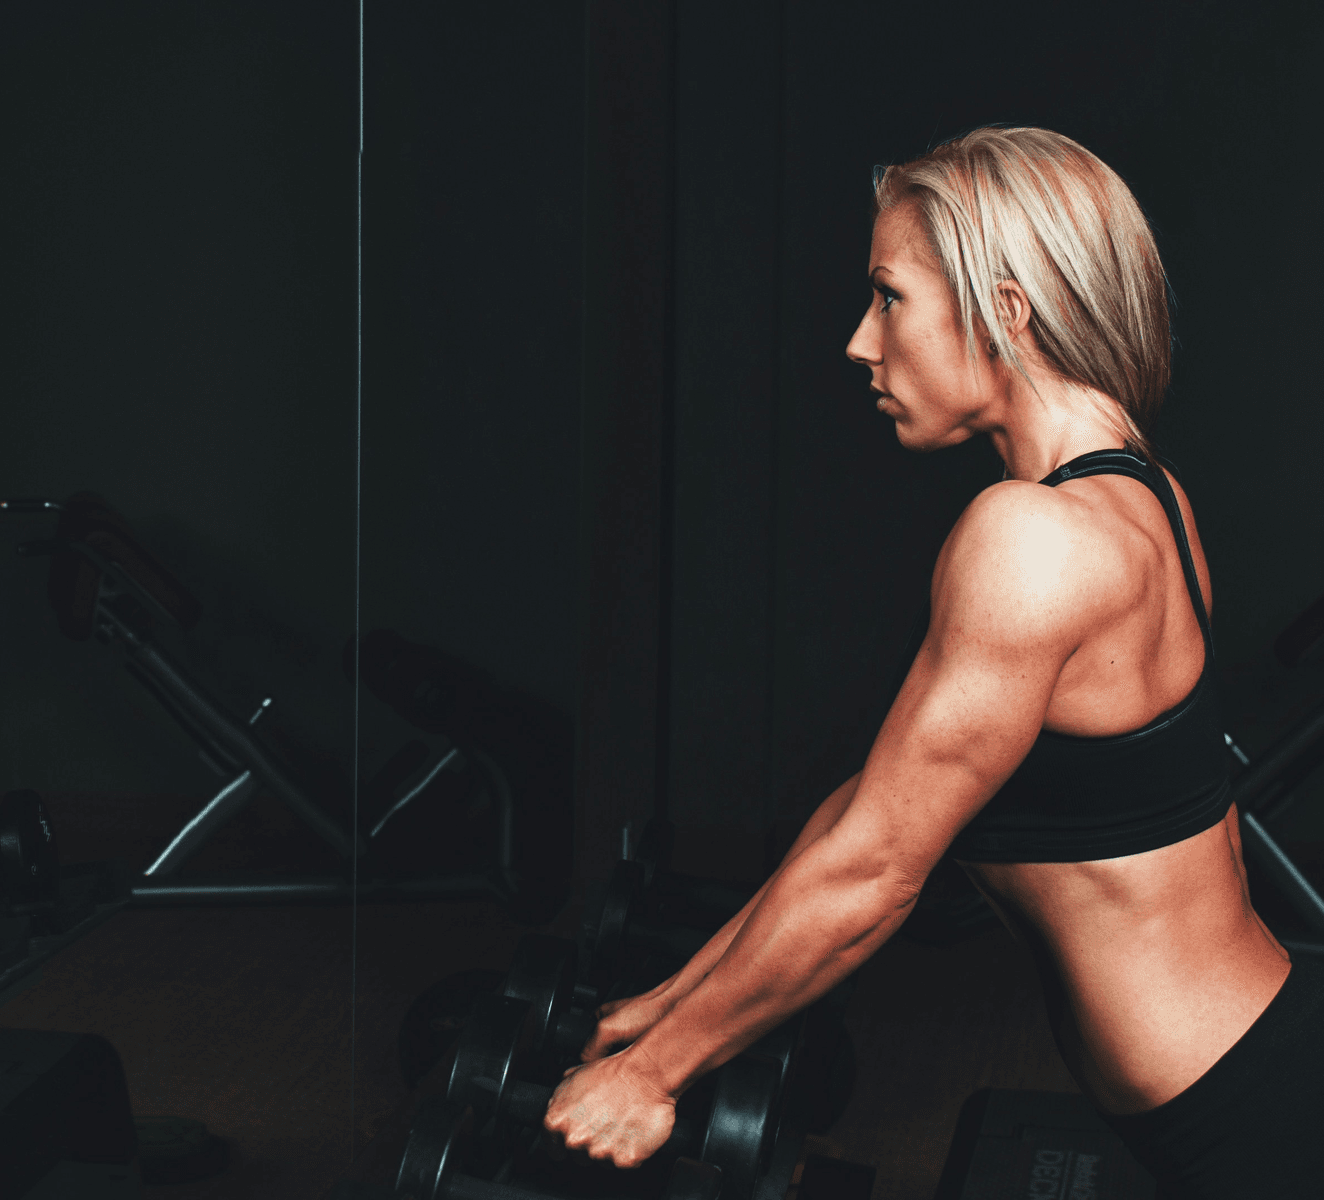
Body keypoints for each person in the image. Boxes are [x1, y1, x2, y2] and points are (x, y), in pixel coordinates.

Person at [539, 126, 1319, 1197]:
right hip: (1257, 1060)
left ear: (1006, 310)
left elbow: (877, 873)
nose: (862, 341)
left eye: (889, 297)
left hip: (1248, 1121)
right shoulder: (1145, 497)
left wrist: (654, 1079)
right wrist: (681, 999)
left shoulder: (1030, 539)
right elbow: (869, 811)